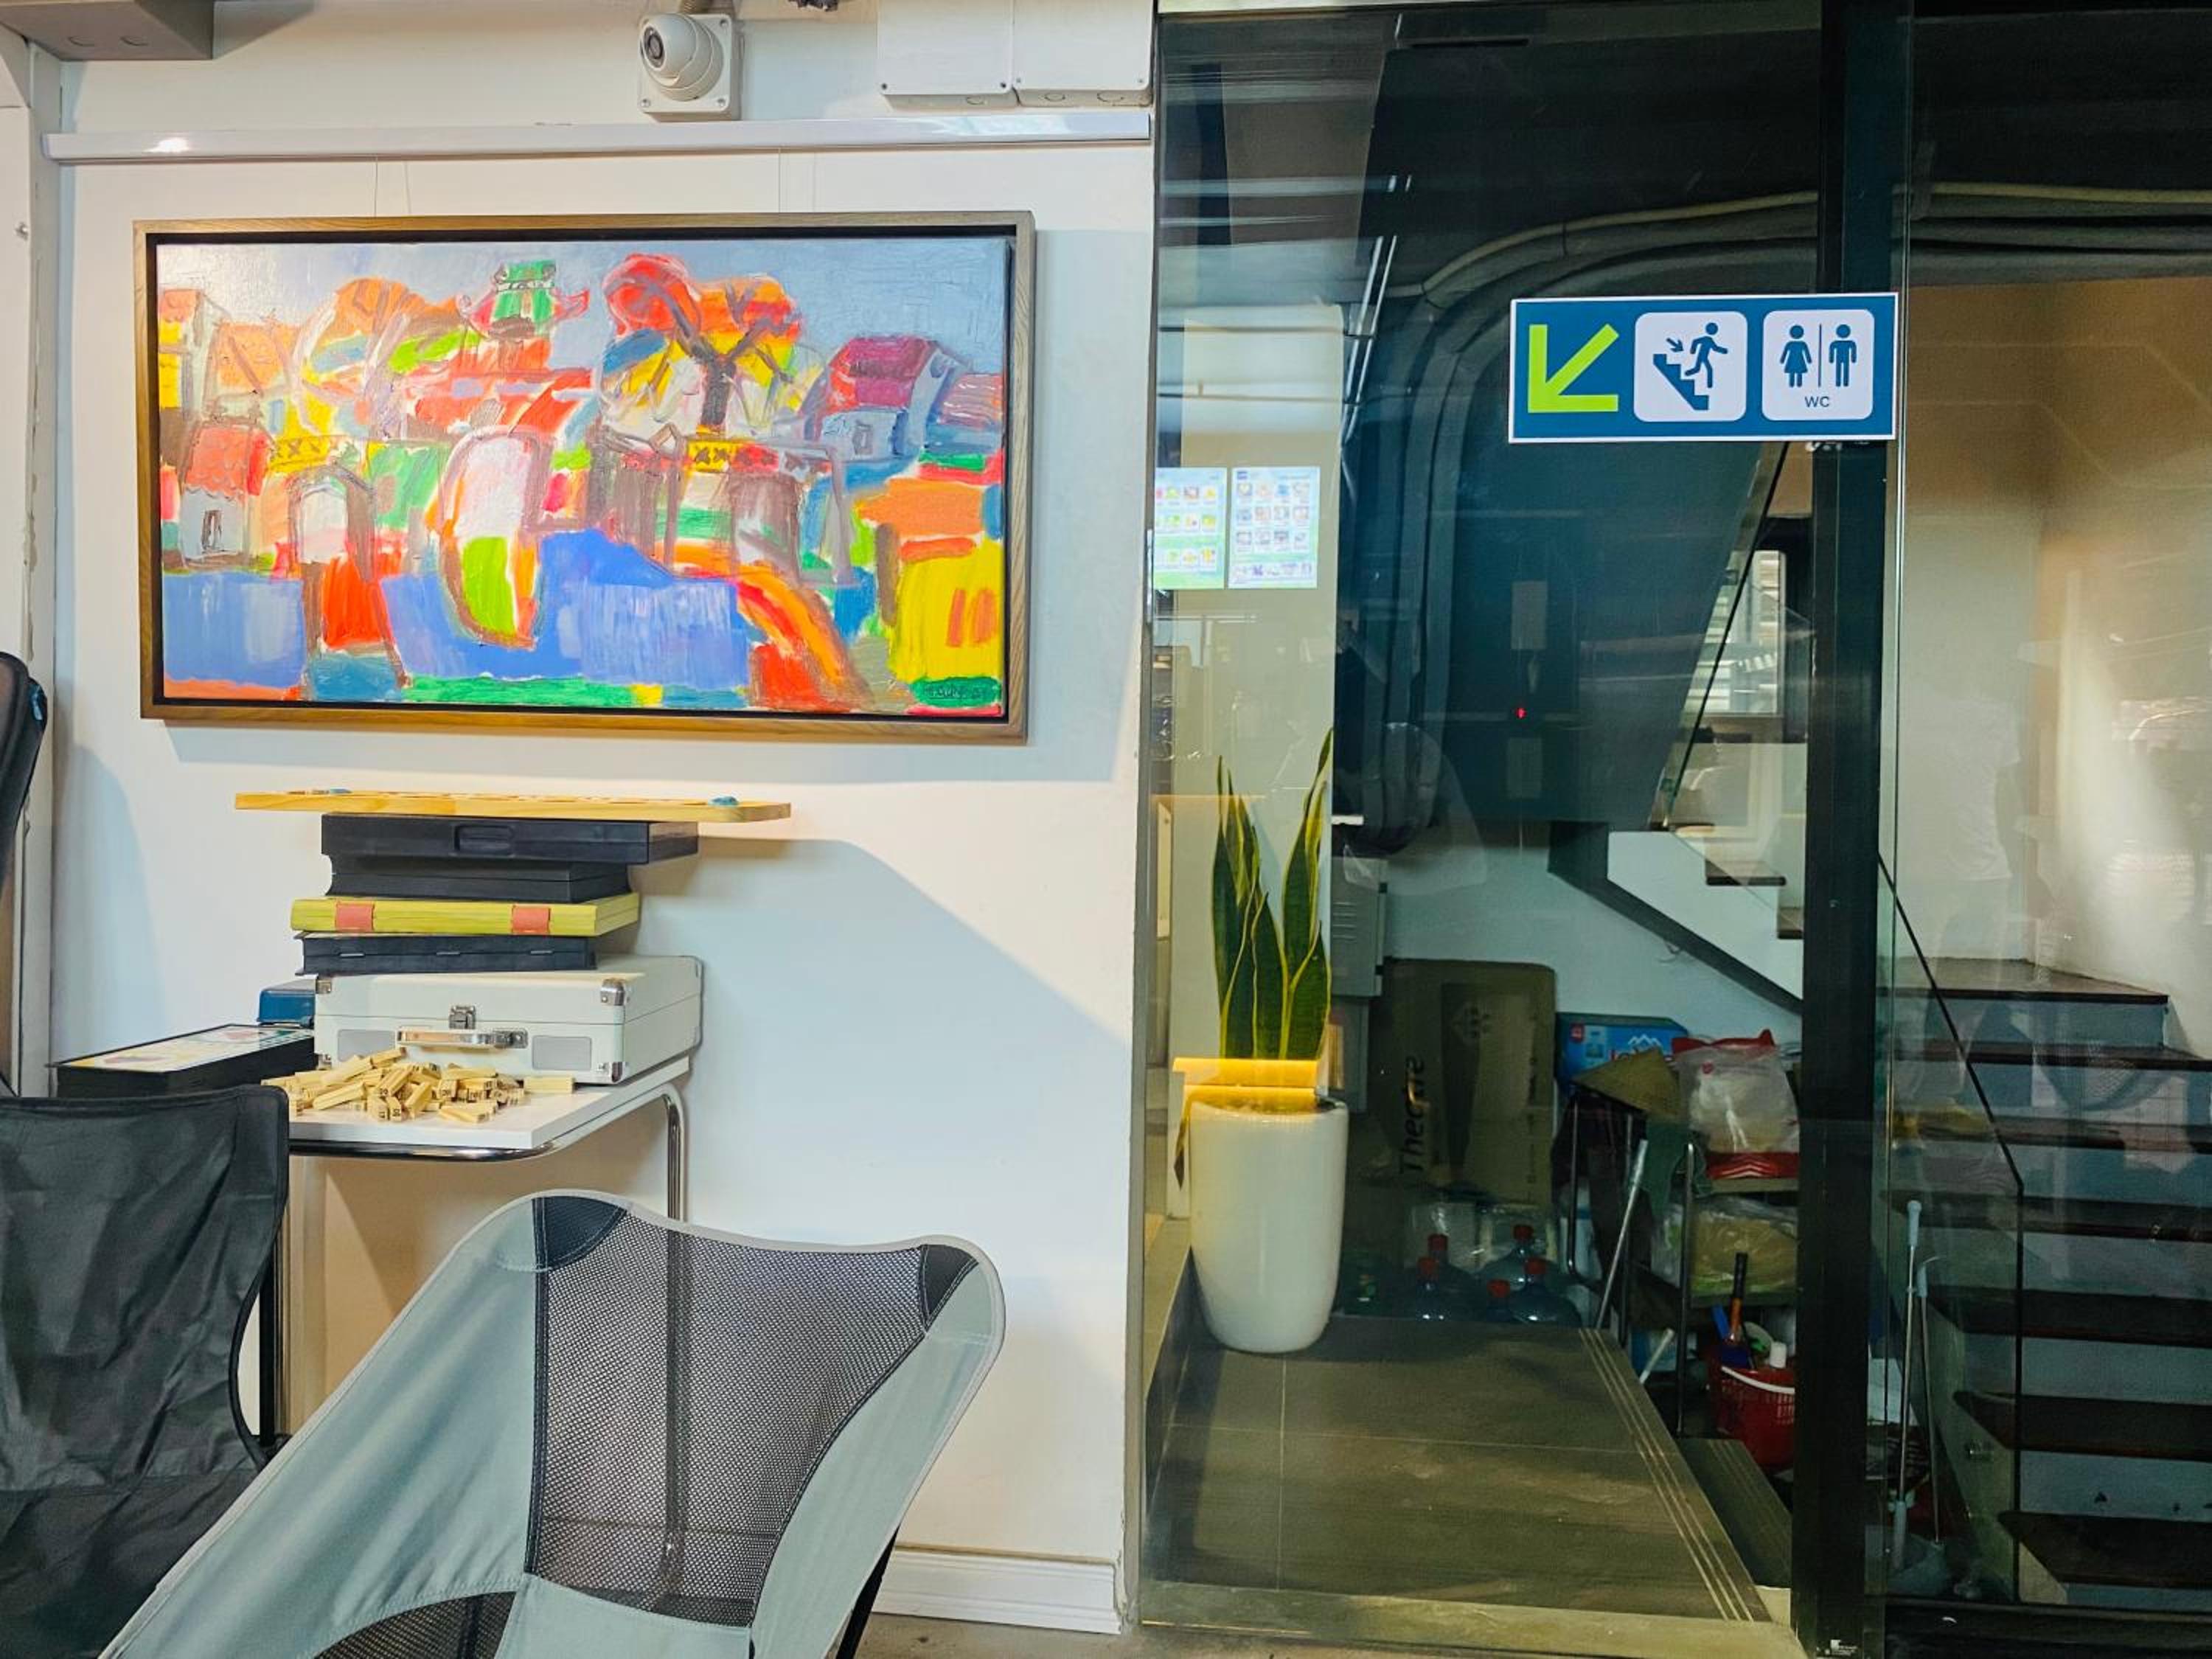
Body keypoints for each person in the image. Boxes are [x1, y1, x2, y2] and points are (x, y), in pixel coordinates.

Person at [1686, 320, 1728, 390]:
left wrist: (1724, 351)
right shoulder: (1707, 339)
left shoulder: (1709, 340)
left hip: (1703, 356)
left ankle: (1687, 374)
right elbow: (1695, 341)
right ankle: (1709, 385)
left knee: (1698, 369)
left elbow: (1715, 348)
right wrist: (1693, 350)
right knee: (1707, 369)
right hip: (1702, 356)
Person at [1780, 324, 1813, 388]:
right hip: (1798, 360)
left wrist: (1782, 360)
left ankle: (1796, 384)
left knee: (1795, 372)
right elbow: (1785, 353)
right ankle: (1794, 384)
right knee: (1796, 372)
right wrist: (1809, 360)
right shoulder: (1798, 344)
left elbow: (1806, 352)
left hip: (1793, 360)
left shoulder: (1796, 344)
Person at [1828, 321, 1858, 388]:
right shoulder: (1836, 343)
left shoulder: (1850, 343)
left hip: (1844, 358)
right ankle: (1839, 383)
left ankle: (1844, 383)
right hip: (1840, 358)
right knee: (1839, 369)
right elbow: (1832, 350)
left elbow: (1853, 351)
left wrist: (1853, 359)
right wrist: (1831, 359)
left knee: (1845, 369)